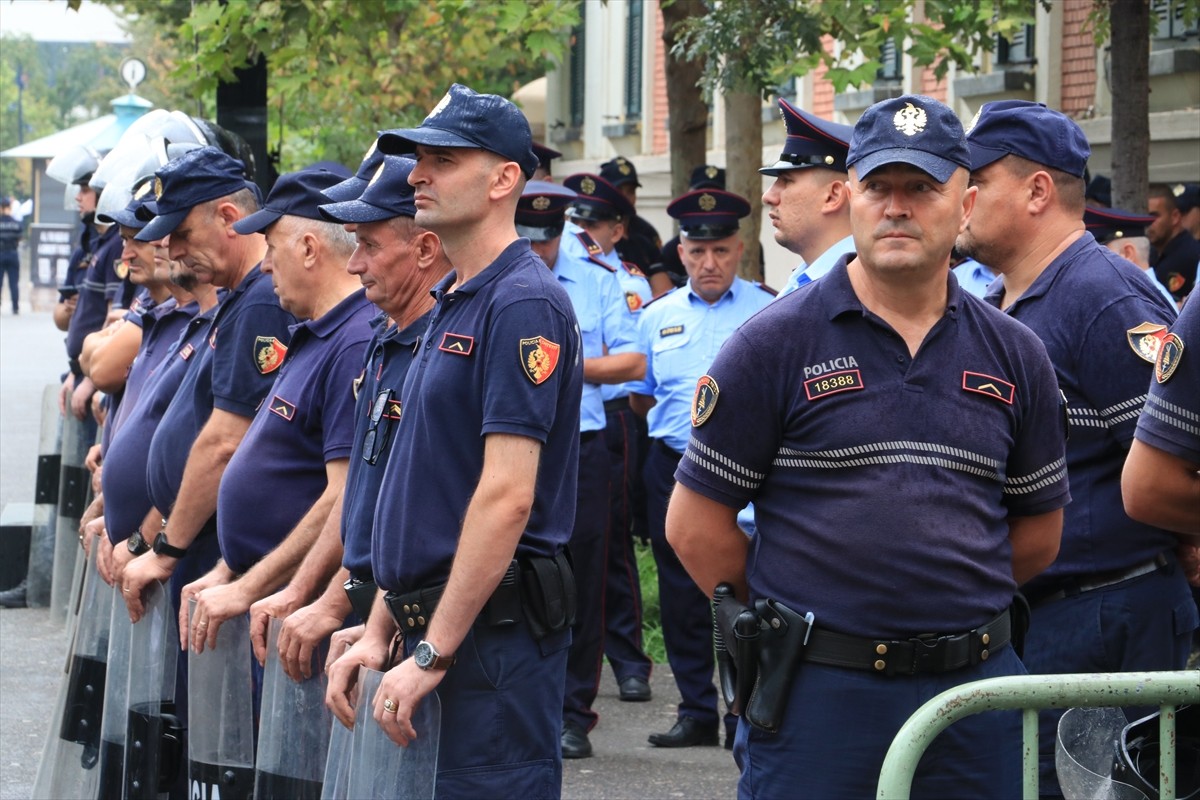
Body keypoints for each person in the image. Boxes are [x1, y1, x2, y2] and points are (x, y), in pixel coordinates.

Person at [666, 94, 1070, 798]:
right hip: (820, 699)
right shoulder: (772, 345)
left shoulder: (1016, 354)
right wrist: (801, 616)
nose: (897, 207)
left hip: (974, 703)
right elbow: (694, 526)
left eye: (922, 188)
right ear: (848, 196)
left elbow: (1037, 534)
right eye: (879, 186)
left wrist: (941, 602)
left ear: (965, 203)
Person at [324, 83, 583, 798]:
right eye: (418, 161)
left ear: (504, 179)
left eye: (440, 159)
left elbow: (504, 497)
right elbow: (419, 487)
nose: (416, 175)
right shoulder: (452, 298)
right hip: (438, 629)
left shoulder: (522, 301)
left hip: (489, 643)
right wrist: (381, 626)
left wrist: (434, 649)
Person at [958, 99, 1196, 796]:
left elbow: (1171, 459)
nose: (960, 198)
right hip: (1044, 614)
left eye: (977, 181)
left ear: (1036, 191)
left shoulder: (1103, 296)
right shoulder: (1014, 299)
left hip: (1107, 614)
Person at [247, 154, 453, 682]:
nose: (355, 262)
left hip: (426, 623)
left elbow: (435, 511)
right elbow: (369, 494)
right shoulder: (386, 338)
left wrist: (351, 611)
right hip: (375, 613)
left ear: (425, 249)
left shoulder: (425, 341)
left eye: (369, 244)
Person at [179, 168, 372, 658]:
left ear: (309, 248)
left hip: (302, 609)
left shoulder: (354, 341)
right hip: (271, 594)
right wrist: (230, 569)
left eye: (271, 247)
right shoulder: (314, 331)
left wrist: (250, 585)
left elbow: (344, 496)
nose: (264, 266)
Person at [121, 146, 297, 627]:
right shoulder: (241, 295)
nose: (172, 251)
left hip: (209, 546)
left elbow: (223, 443)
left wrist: (166, 549)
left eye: (181, 234)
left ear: (227, 216)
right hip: (199, 543)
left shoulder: (263, 302)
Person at [629, 188, 773, 750]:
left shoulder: (767, 308)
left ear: (739, 249)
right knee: (680, 596)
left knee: (745, 596)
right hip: (672, 464)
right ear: (681, 253)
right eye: (696, 252)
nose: (708, 263)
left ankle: (744, 711)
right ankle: (694, 710)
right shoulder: (657, 316)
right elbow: (642, 399)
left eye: (719, 251)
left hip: (745, 474)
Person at [518, 178, 645, 759]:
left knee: (585, 578)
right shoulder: (495, 284)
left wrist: (569, 368)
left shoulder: (597, 282)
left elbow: (632, 361)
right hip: (516, 447)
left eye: (547, 239)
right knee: (515, 577)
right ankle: (524, 702)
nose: (538, 249)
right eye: (529, 237)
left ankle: (574, 713)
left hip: (582, 447)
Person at [557, 173, 657, 712]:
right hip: (533, 435)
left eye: (591, 222)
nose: (581, 231)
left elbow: (633, 361)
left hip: (600, 426)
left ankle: (610, 674)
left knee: (603, 556)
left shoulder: (610, 280)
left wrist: (563, 369)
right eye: (578, 222)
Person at [760, 98, 856, 299]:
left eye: (786, 181)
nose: (768, 196)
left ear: (832, 196)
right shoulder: (806, 280)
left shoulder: (853, 286)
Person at [1083, 205, 1176, 306]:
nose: (1095, 260)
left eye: (1102, 253)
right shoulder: (1144, 295)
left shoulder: (1142, 301)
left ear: (1128, 254)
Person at [599, 156, 664, 282]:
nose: (625, 198)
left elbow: (661, 282)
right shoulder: (595, 230)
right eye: (618, 191)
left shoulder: (646, 232)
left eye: (630, 191)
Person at [1147, 182, 1200, 303]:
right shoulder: (1152, 251)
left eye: (1154, 216)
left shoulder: (1191, 255)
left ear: (1175, 216)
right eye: (1144, 216)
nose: (1148, 222)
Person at [0, 197, 21, 314]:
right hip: (13, 254)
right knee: (14, 283)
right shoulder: (16, 224)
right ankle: (15, 307)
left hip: (0, 254)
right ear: (9, 207)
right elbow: (19, 238)